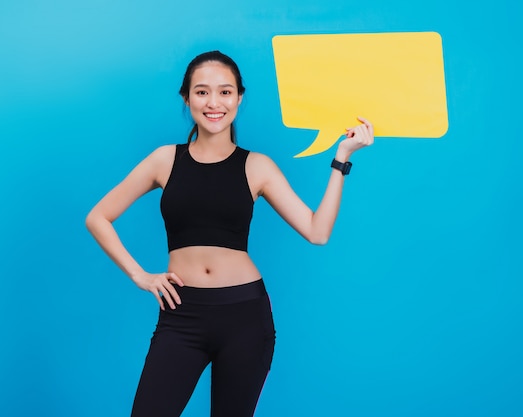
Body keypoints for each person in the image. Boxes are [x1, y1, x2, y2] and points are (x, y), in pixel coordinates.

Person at [85, 50, 374, 417]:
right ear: (186, 98)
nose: (214, 102)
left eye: (225, 92)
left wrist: (342, 157)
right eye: (202, 92)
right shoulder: (164, 160)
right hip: (181, 314)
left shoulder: (257, 166)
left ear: (239, 97)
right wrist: (140, 275)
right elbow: (98, 217)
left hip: (245, 318)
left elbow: (317, 231)